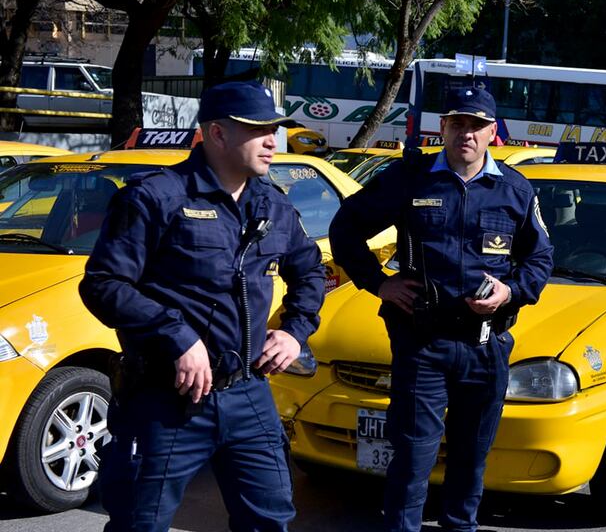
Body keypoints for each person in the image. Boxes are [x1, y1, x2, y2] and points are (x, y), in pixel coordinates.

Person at [79, 80, 326, 531]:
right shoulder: (157, 197)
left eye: (276, 128)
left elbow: (310, 270)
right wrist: (177, 337)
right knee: (140, 521)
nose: (273, 140)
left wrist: (295, 330)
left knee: (268, 520)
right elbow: (103, 284)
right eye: (259, 130)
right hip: (166, 398)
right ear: (216, 134)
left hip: (247, 393)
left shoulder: (272, 205)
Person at [329, 86, 553, 532]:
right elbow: (346, 228)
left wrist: (509, 293)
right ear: (443, 128)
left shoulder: (514, 189)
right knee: (412, 458)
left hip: (485, 348)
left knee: (471, 458)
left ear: (493, 132)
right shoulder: (410, 178)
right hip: (422, 343)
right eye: (457, 123)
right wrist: (380, 284)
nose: (465, 133)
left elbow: (541, 258)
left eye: (475, 125)